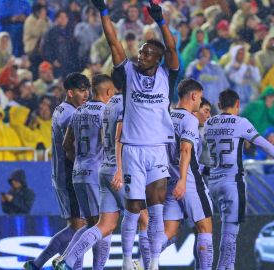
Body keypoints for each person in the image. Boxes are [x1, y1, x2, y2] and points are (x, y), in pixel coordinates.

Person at [92, 0, 179, 269]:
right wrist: (104, 12)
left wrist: (161, 20)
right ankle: (127, 262)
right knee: (133, 208)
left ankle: (152, 263)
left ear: (157, 59)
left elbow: (173, 48)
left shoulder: (168, 76)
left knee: (156, 210)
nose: (140, 56)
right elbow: (114, 43)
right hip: (132, 149)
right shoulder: (129, 73)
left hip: (157, 149)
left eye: (147, 54)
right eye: (140, 53)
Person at [205, 89, 274, 270]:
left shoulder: (209, 123)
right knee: (230, 234)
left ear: (219, 105)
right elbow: (263, 144)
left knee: (215, 231)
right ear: (238, 105)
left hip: (213, 182)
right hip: (232, 182)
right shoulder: (241, 122)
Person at [23, 72, 89, 270]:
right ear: (70, 92)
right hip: (69, 176)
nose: (86, 94)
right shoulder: (70, 114)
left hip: (62, 174)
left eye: (87, 90)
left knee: (77, 226)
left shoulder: (61, 109)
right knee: (81, 227)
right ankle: (62, 262)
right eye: (81, 90)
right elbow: (73, 148)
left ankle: (37, 264)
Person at [56, 74, 115, 270]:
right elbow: (107, 143)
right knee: (106, 225)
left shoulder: (78, 112)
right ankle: (69, 261)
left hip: (78, 173)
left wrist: (80, 161)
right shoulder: (105, 112)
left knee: (90, 226)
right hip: (97, 173)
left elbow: (66, 144)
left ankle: (67, 261)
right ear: (108, 92)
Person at [163, 78, 214, 269]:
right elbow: (185, 150)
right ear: (193, 96)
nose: (200, 102)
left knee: (168, 232)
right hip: (189, 181)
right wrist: (183, 181)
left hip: (168, 179)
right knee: (205, 229)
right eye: (200, 98)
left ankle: (142, 262)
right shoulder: (190, 119)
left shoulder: (167, 115)